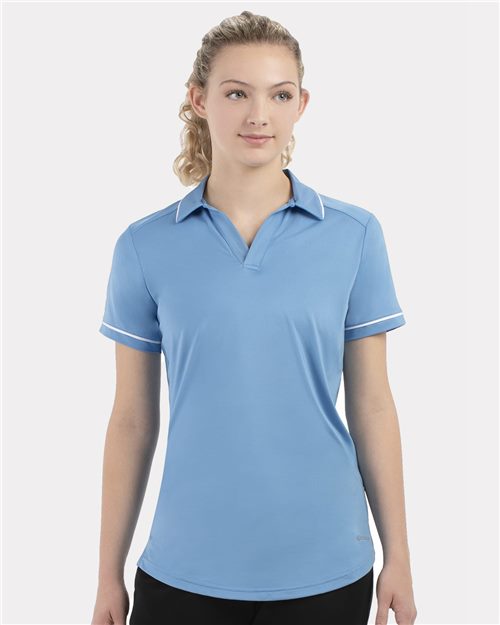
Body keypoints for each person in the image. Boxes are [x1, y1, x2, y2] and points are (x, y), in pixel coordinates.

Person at [91, 10, 417, 625]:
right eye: (237, 93)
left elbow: (373, 404)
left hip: (328, 564)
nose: (259, 114)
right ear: (199, 99)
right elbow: (131, 419)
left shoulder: (354, 235)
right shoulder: (144, 246)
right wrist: (108, 573)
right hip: (183, 567)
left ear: (302, 105)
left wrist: (398, 554)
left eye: (280, 94)